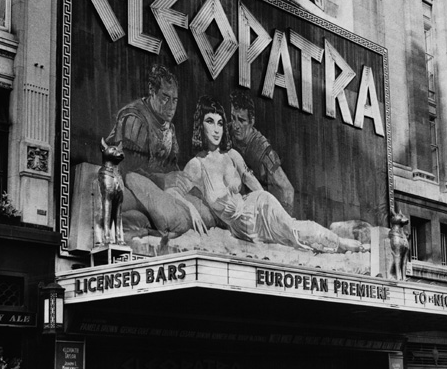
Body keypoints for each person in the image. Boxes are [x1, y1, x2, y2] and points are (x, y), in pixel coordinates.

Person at [171, 95, 367, 253]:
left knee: (294, 229)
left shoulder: (232, 155)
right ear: (200, 125)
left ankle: (341, 242)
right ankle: (338, 241)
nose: (216, 129)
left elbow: (252, 182)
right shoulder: (196, 165)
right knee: (293, 239)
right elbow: (172, 191)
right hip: (242, 227)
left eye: (220, 123)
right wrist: (191, 209)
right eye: (210, 122)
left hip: (259, 208)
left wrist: (276, 208)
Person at [107, 65, 210, 236]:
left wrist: (187, 187)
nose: (171, 106)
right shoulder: (135, 118)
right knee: (175, 219)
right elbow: (128, 170)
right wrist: (164, 180)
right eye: (165, 97)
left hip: (157, 188)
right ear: (152, 92)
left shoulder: (169, 128)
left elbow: (172, 167)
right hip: (131, 184)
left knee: (203, 212)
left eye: (175, 100)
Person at [229, 89, 294, 215]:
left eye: (241, 120)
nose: (235, 125)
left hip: (258, 209)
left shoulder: (265, 151)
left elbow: (287, 189)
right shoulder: (226, 131)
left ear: (251, 121)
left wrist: (286, 222)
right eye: (233, 118)